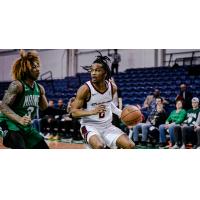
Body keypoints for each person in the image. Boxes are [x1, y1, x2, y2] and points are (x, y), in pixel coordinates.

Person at [70, 52, 134, 149]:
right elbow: (73, 112)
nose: (93, 73)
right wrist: (92, 111)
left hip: (107, 126)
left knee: (130, 145)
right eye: (92, 70)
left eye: (97, 70)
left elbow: (109, 104)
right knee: (99, 146)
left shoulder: (112, 87)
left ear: (105, 73)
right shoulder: (85, 89)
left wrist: (121, 113)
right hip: (89, 126)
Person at [0, 50, 49, 149]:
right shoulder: (17, 85)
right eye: (34, 67)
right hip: (9, 124)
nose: (38, 69)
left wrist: (66, 110)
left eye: (38, 66)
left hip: (25, 126)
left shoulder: (39, 88)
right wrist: (19, 119)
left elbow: (45, 108)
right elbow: (3, 106)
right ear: (26, 70)